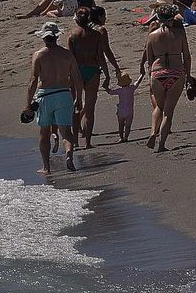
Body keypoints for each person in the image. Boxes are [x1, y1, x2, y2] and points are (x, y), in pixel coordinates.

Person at [20, 20, 82, 174]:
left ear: (44, 38)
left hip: (46, 95)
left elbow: (34, 79)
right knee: (66, 131)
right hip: (64, 94)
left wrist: (27, 103)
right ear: (56, 37)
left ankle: (46, 167)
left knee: (44, 132)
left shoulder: (39, 55)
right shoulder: (67, 54)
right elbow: (77, 77)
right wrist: (79, 97)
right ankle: (69, 157)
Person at [141, 0, 194, 153]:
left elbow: (150, 59)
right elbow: (187, 56)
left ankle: (152, 132)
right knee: (168, 111)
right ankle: (161, 144)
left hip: (158, 72)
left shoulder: (152, 36)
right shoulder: (179, 34)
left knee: (158, 106)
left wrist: (150, 74)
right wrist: (188, 76)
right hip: (176, 73)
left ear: (158, 18)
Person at [66, 11, 115, 149]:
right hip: (93, 71)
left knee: (76, 108)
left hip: (77, 72)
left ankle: (75, 142)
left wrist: (68, 75)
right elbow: (100, 56)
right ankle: (87, 142)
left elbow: (70, 57)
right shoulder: (96, 35)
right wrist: (107, 75)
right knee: (89, 109)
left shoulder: (72, 35)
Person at [106, 73, 137, 143]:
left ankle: (121, 137)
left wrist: (105, 87)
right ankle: (126, 137)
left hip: (121, 110)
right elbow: (137, 82)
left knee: (121, 125)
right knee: (128, 126)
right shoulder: (132, 88)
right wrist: (142, 75)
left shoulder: (119, 90)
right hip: (129, 111)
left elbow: (110, 92)